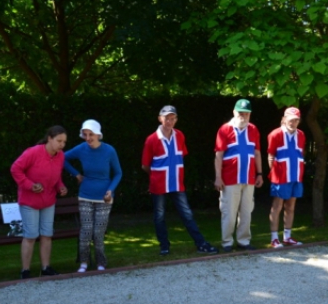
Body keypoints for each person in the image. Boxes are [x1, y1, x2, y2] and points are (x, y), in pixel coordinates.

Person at [141, 106, 219, 256]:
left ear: (176, 119)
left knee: (187, 214)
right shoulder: (152, 139)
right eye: (166, 118)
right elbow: (145, 165)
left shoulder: (180, 136)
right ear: (160, 118)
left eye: (173, 118)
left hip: (177, 183)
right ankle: (164, 245)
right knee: (159, 215)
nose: (169, 121)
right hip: (159, 185)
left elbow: (181, 156)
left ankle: (201, 243)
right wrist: (157, 175)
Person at [64, 119, 122, 272]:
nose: (88, 138)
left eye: (91, 134)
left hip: (104, 197)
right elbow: (62, 158)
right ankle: (83, 263)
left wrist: (111, 190)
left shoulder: (109, 150)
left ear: (98, 135)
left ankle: (101, 263)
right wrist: (76, 174)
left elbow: (118, 173)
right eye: (85, 134)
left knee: (98, 232)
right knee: (86, 231)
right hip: (85, 195)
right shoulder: (81, 148)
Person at [11, 126, 69, 279]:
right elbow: (15, 169)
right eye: (59, 141)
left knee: (47, 235)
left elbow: (56, 176)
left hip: (48, 200)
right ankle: (25, 270)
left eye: (64, 142)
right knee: (30, 236)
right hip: (29, 201)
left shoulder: (60, 156)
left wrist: (60, 187)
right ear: (49, 138)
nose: (61, 145)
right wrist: (30, 185)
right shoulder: (33, 152)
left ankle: (46, 267)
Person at [214, 98, 263, 252]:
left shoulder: (253, 129)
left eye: (246, 114)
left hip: (249, 178)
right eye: (240, 113)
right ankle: (227, 242)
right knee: (229, 211)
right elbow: (219, 155)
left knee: (247, 211)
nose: (243, 116)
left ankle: (243, 241)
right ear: (234, 112)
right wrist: (218, 177)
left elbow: (257, 153)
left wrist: (260, 173)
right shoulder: (225, 129)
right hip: (229, 179)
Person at [267, 107, 305, 247]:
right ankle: (274, 238)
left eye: (296, 120)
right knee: (277, 206)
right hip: (280, 177)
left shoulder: (301, 134)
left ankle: (287, 236)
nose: (293, 123)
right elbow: (270, 156)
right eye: (291, 120)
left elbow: (300, 153)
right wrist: (274, 174)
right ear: (284, 119)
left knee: (291, 206)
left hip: (295, 176)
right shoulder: (275, 134)